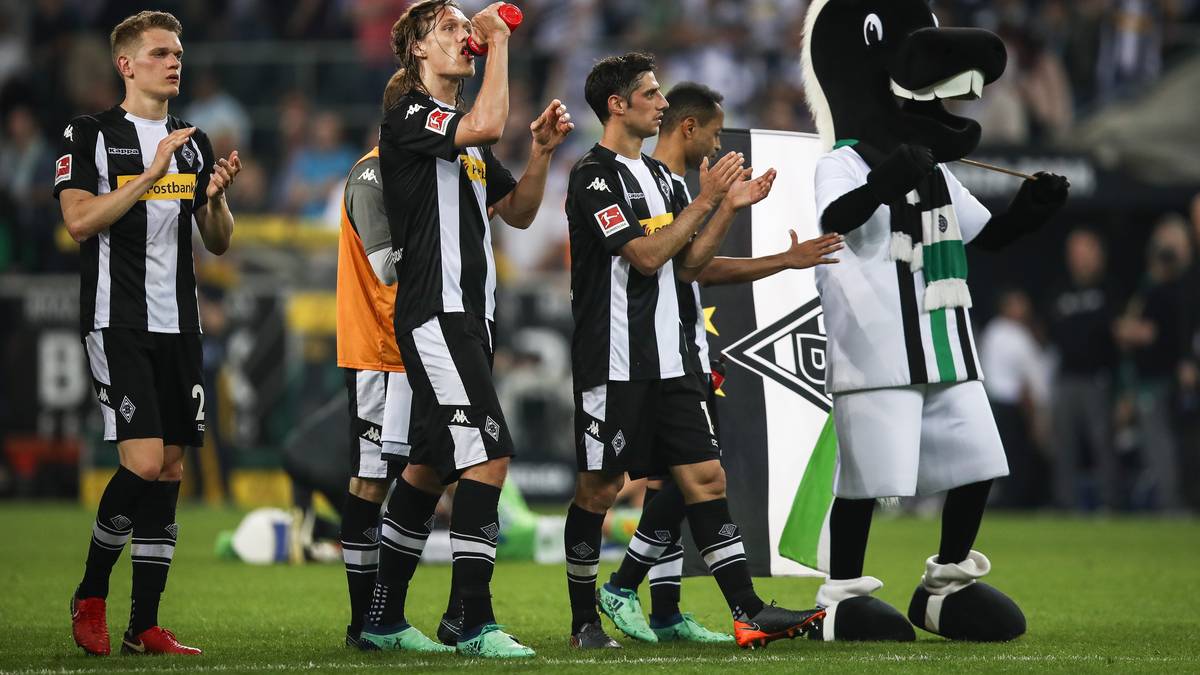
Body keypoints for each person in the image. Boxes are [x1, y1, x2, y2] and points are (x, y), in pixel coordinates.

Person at [562, 53, 826, 650]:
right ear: (618, 105)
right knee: (600, 490)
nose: (660, 103)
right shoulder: (593, 175)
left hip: (674, 361)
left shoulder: (662, 181)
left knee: (704, 478)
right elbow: (646, 257)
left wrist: (737, 216)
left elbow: (688, 266)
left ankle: (748, 611)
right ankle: (584, 620)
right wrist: (708, 201)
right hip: (617, 362)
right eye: (651, 94)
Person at [373, 0, 573, 658]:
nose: (466, 36)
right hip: (437, 309)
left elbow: (517, 213)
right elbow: (489, 121)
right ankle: (471, 618)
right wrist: (500, 39)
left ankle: (381, 617)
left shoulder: (462, 136)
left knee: (429, 467)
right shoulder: (409, 115)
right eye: (451, 29)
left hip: (470, 314)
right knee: (489, 455)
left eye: (469, 26)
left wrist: (540, 152)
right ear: (418, 52)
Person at [55, 10, 241, 656]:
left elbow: (217, 242)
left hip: (179, 323)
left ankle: (145, 624)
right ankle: (90, 591)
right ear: (126, 65)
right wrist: (148, 173)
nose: (174, 61)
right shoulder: (91, 134)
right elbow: (79, 221)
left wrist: (215, 198)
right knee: (140, 459)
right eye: (160, 52)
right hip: (119, 319)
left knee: (169, 468)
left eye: (179, 52)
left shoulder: (195, 142)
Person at [334, 70, 451, 653]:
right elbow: (386, 266)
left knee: (420, 470)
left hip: (417, 346)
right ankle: (365, 623)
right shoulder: (372, 174)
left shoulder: (422, 174)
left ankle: (381, 618)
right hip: (381, 349)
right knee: (372, 477)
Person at [1046, 229, 1122, 510]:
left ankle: (1110, 506)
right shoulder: (1059, 289)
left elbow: (1120, 334)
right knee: (1064, 447)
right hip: (1066, 378)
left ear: (1098, 254)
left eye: (1084, 251)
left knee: (1103, 445)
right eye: (1074, 253)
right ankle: (1066, 505)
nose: (1079, 259)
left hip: (1098, 377)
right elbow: (1048, 332)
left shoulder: (1110, 289)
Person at [980, 288, 1050, 508]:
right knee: (1016, 459)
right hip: (1012, 407)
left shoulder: (991, 331)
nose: (1023, 309)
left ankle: (1002, 501)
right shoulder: (1016, 334)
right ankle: (1014, 503)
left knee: (999, 460)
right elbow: (1033, 378)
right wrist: (1039, 413)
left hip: (991, 404)